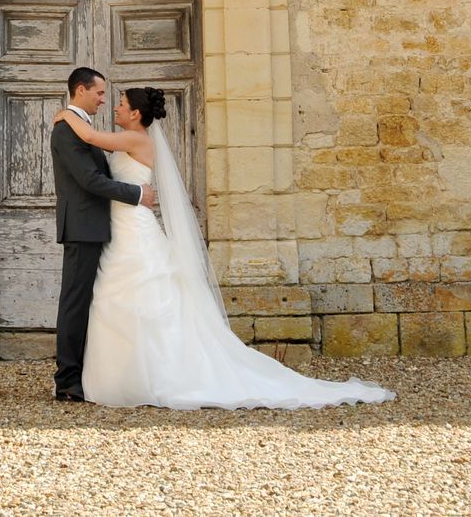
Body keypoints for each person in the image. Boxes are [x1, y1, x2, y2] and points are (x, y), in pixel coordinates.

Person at [53, 85, 394, 410]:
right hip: (122, 226)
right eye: (108, 97)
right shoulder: (133, 137)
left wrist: (65, 114)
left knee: (138, 296)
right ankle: (123, 374)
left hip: (133, 228)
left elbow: (91, 137)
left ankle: (147, 375)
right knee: (121, 297)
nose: (114, 105)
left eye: (121, 103)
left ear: (136, 113)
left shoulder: (133, 137)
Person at [48, 66, 156, 403]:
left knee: (88, 304)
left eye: (111, 97)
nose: (104, 100)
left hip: (99, 227)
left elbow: (97, 152)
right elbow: (90, 181)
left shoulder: (80, 127)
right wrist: (137, 194)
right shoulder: (67, 129)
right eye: (99, 93)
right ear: (81, 90)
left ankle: (94, 373)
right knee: (75, 303)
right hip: (82, 227)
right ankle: (67, 380)